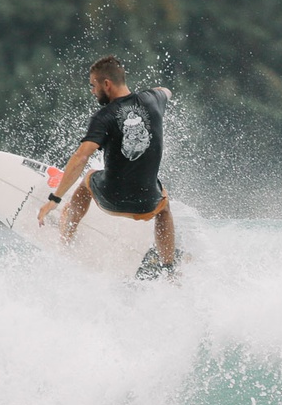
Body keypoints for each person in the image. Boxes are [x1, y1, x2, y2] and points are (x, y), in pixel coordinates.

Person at [37, 55, 178, 274]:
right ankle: (168, 266)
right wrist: (160, 92)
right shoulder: (154, 99)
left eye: (93, 85)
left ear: (106, 84)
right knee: (164, 207)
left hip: (112, 199)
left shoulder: (104, 116)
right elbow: (166, 91)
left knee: (88, 179)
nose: (92, 91)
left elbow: (81, 157)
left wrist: (54, 198)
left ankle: (65, 239)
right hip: (146, 203)